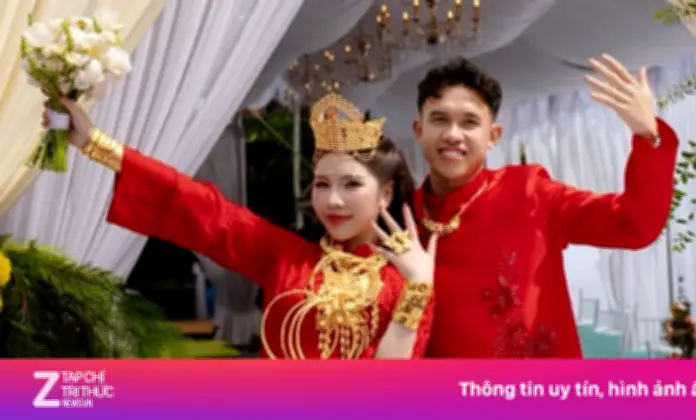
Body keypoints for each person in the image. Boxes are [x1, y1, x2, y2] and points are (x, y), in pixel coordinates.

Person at [46, 92, 437, 359]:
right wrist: (96, 144)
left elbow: (390, 386)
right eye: (322, 184)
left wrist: (418, 287)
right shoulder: (288, 257)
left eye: (351, 185)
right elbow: (204, 210)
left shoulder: (405, 281)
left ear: (385, 193)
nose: (332, 200)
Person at [412, 55, 679, 358]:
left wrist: (648, 136)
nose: (452, 134)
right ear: (419, 129)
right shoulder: (396, 214)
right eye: (439, 119)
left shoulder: (530, 194)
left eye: (469, 122)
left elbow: (633, 225)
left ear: (493, 137)